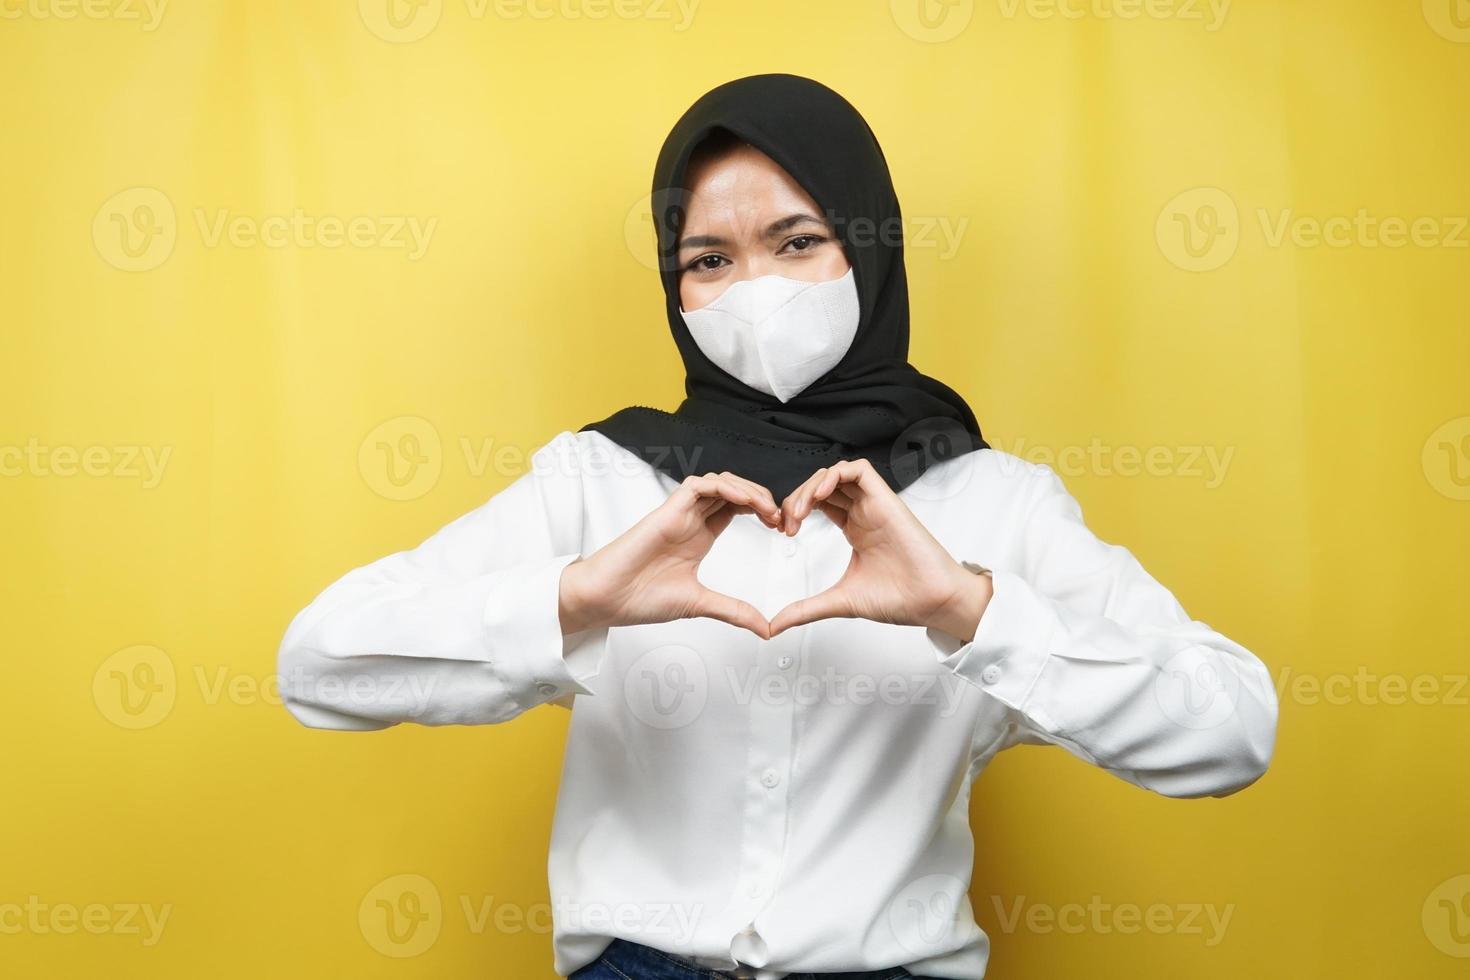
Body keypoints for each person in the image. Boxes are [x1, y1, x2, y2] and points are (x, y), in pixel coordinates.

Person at [276, 73, 1278, 980]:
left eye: (798, 242)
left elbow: (1232, 727)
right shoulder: (601, 481)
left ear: (869, 247)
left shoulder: (990, 501)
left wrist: (970, 608)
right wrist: (574, 599)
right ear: (675, 289)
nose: (754, 290)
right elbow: (317, 666)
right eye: (709, 258)